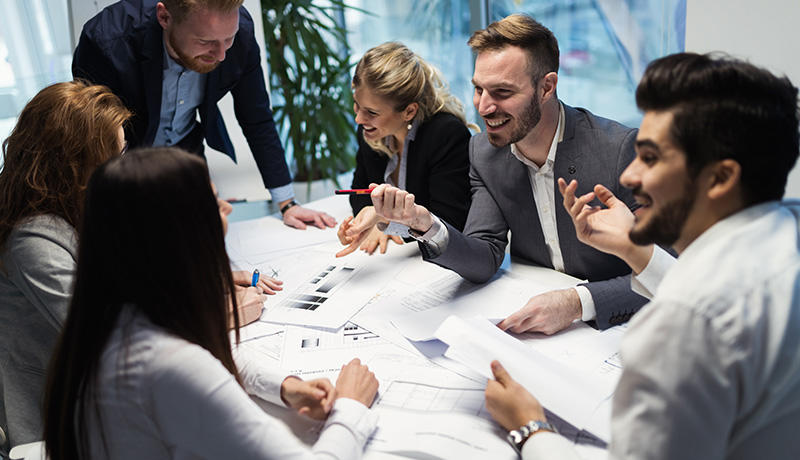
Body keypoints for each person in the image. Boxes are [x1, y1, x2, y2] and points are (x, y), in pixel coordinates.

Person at [484, 53, 800, 459]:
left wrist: (530, 428)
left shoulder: (683, 326)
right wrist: (634, 249)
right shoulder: (787, 227)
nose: (630, 176)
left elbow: (700, 310)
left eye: (650, 158)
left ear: (720, 178)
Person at [43, 147, 380, 459]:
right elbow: (193, 369)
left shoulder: (111, 316)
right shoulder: (170, 366)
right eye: (215, 203)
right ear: (181, 235)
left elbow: (214, 354)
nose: (228, 208)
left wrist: (284, 386)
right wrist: (351, 406)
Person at [369, 14, 646, 333]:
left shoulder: (619, 150)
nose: (483, 107)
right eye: (478, 89)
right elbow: (483, 255)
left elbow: (668, 273)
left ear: (547, 87)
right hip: (535, 328)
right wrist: (426, 224)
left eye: (502, 92)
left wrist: (577, 302)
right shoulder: (483, 153)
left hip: (621, 328)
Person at [72, 0, 336, 230]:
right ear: (164, 17)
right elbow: (95, 142)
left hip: (186, 154)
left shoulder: (239, 33)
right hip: (123, 161)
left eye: (228, 40)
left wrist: (287, 202)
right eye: (205, 42)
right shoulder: (107, 42)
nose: (221, 55)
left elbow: (257, 118)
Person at [0, 80, 130, 451]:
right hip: (51, 425)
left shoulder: (76, 210)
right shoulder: (32, 239)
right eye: (115, 156)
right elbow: (110, 333)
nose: (124, 167)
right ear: (76, 164)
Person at [336, 42, 473, 257]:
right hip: (394, 255)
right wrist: (367, 217)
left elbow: (450, 222)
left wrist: (385, 221)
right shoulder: (371, 131)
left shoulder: (446, 135)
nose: (359, 119)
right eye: (357, 105)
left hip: (436, 260)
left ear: (409, 112)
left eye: (372, 112)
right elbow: (359, 191)